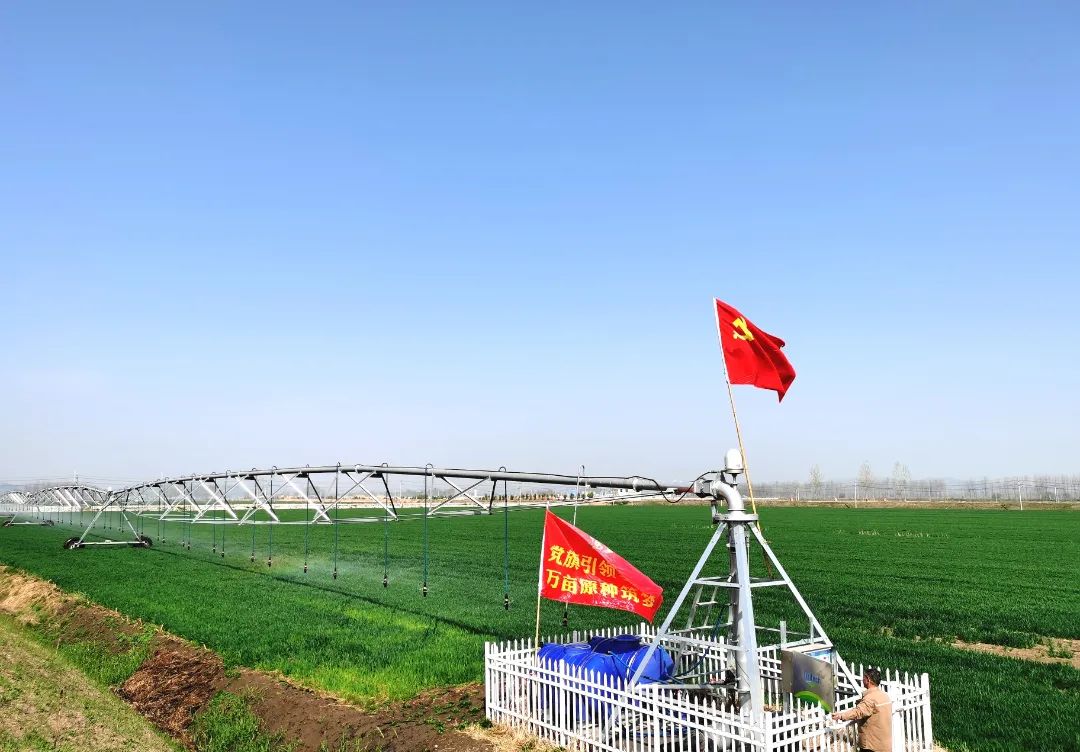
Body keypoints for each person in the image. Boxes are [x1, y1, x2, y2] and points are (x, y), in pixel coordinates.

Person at [831, 667, 892, 752]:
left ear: (868, 680)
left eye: (863, 678)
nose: (862, 680)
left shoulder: (870, 699)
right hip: (884, 743)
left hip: (871, 745)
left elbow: (858, 712)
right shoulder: (885, 696)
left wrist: (841, 715)